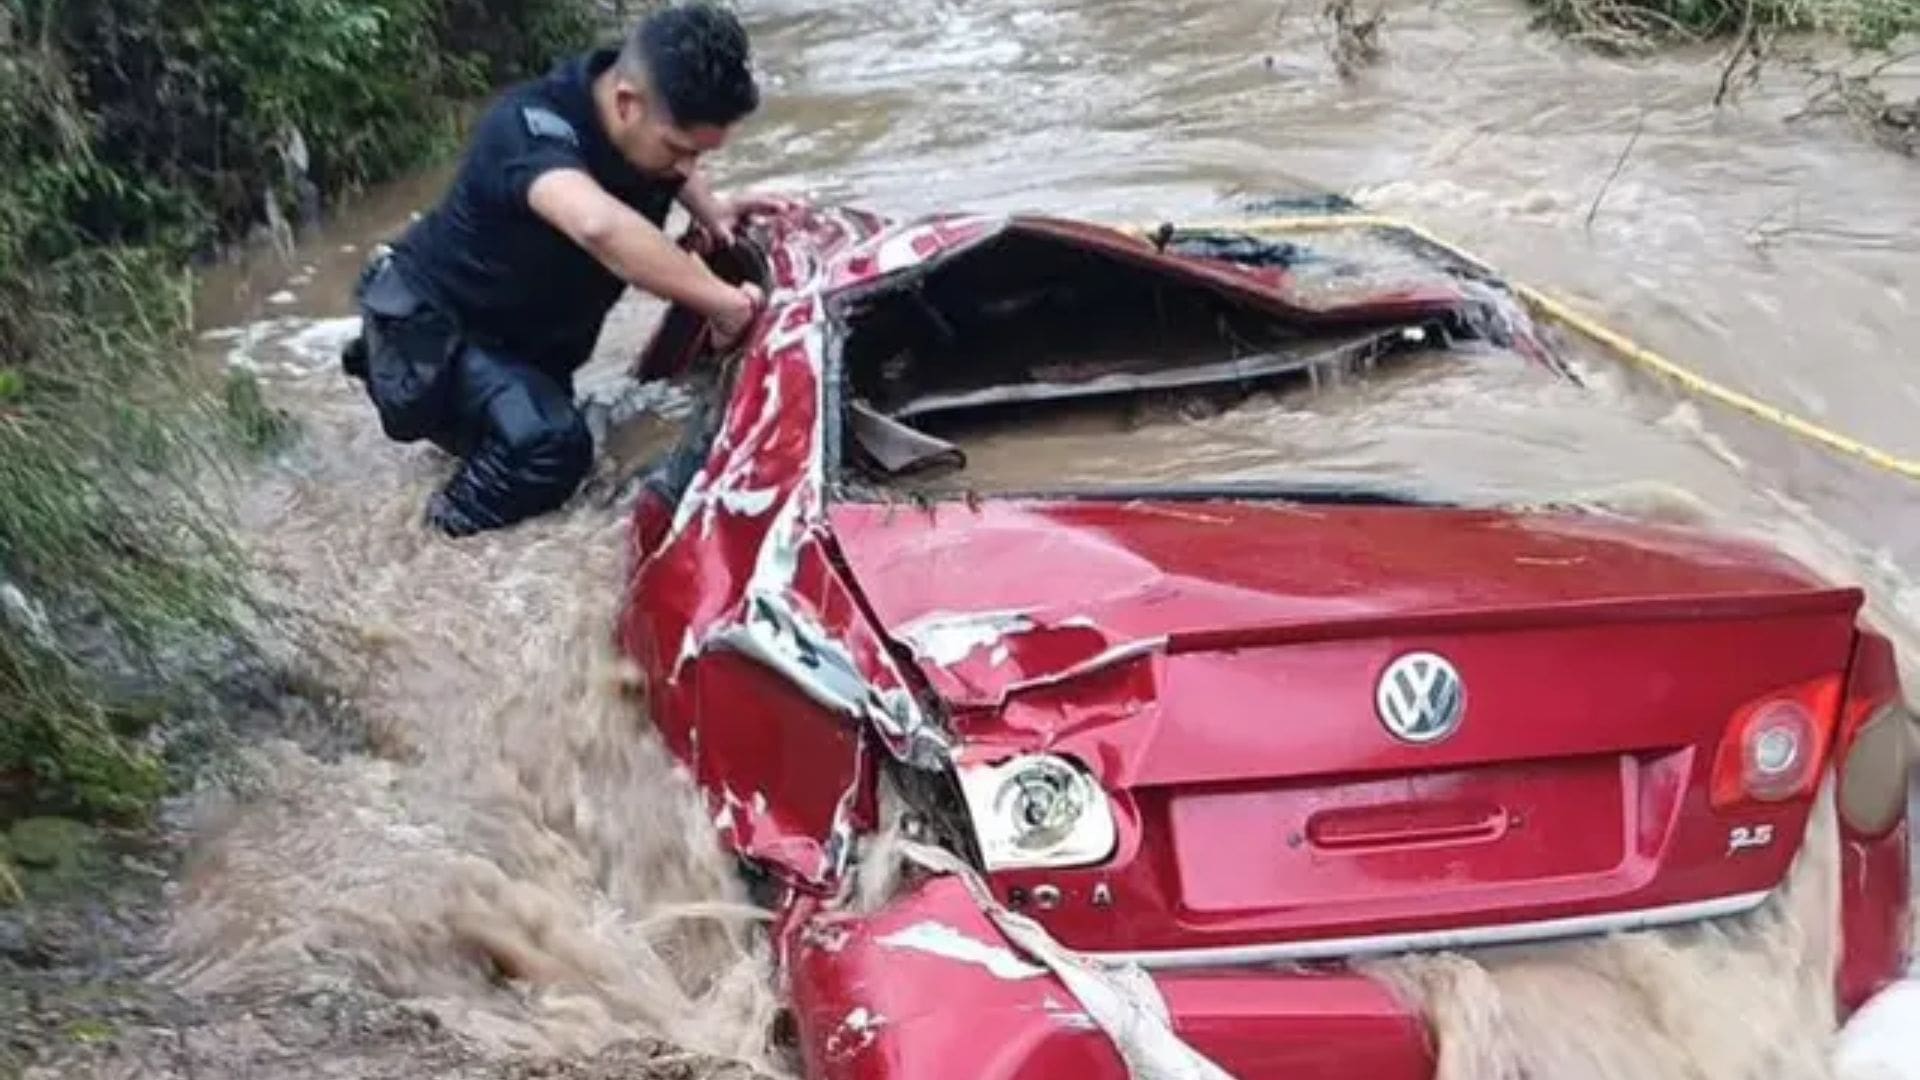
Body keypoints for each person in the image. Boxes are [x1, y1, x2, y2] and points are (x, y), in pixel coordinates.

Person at [341, 2, 776, 537]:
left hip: (517, 346)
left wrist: (713, 210)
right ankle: (429, 541)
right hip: (429, 334)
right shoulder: (530, 131)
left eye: (700, 156)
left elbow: (664, 168)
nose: (687, 168)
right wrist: (722, 301)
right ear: (626, 104)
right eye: (679, 151)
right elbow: (597, 225)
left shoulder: (633, 116)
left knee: (561, 435)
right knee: (548, 447)